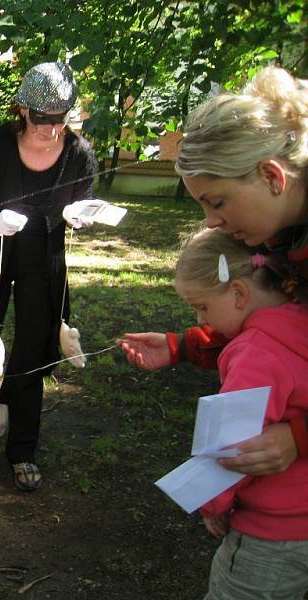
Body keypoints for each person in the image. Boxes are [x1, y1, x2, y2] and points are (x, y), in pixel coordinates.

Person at [117, 65, 308, 477]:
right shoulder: (276, 239)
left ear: (271, 177)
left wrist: (298, 436)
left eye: (217, 202)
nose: (210, 223)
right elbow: (278, 331)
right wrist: (181, 347)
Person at [0, 61, 97, 491]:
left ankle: (22, 448)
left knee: (34, 345)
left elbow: (83, 204)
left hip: (43, 253)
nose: (51, 129)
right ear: (23, 111)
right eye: (42, 118)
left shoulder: (78, 152)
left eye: (60, 119)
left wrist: (79, 216)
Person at [171, 227, 308, 599]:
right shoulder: (299, 322)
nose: (201, 320)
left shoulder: (255, 355)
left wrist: (212, 503)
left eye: (201, 307)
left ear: (239, 293)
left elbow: (231, 446)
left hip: (271, 538)